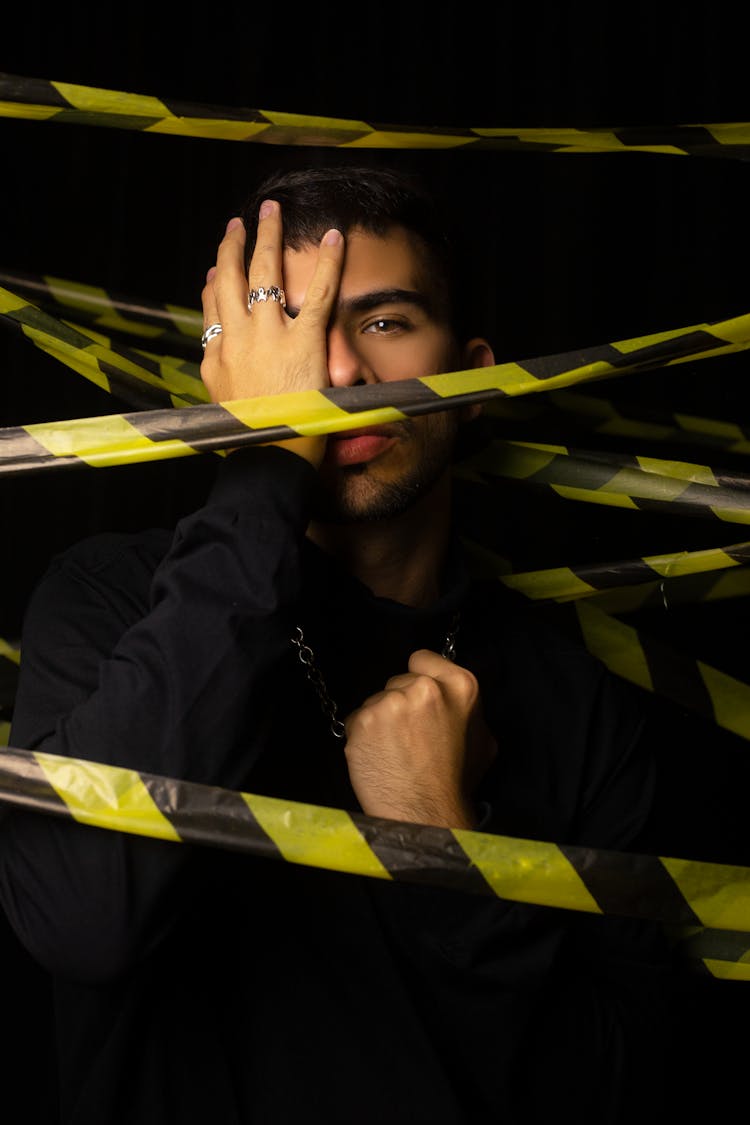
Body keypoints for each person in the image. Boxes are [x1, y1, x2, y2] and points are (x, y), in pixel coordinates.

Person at [0, 163, 677, 1124]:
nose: (344, 375)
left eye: (386, 322)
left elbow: (620, 1096)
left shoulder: (574, 698)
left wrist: (442, 843)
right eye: (297, 337)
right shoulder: (110, 600)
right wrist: (270, 451)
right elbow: (81, 917)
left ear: (477, 377)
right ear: (232, 370)